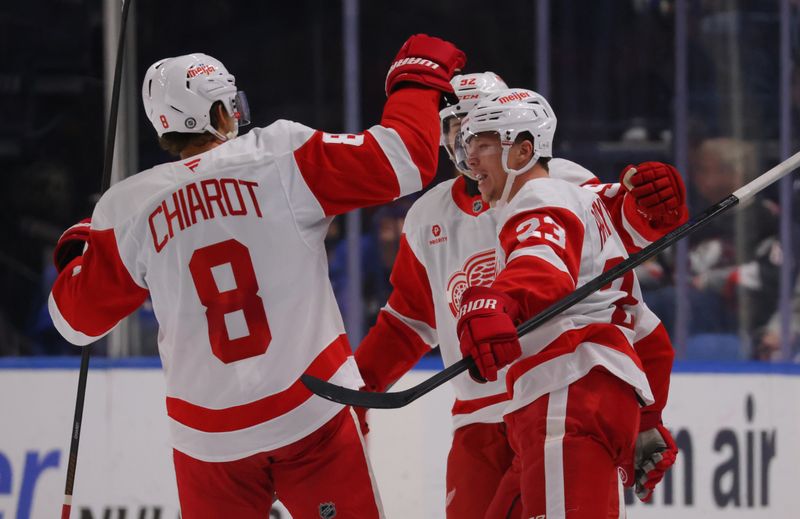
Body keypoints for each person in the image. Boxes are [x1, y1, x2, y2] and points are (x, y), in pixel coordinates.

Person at [47, 35, 465, 518]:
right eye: (231, 105)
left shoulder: (129, 206)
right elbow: (405, 159)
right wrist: (417, 76)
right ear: (219, 113)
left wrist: (83, 244)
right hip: (312, 414)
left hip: (208, 441)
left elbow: (73, 321)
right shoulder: (280, 156)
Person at [354, 75, 682, 518]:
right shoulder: (426, 216)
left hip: (557, 386)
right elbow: (410, 319)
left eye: (477, 130)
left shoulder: (553, 182)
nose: (465, 146)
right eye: (456, 129)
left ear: (518, 141)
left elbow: (607, 245)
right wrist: (360, 390)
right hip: (486, 412)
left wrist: (646, 207)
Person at [449, 87, 677, 517]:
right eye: (468, 147)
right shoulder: (589, 207)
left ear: (522, 151)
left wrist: (497, 301)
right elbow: (648, 333)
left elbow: (542, 265)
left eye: (482, 145)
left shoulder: (539, 197)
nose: (471, 161)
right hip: (582, 398)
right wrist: (648, 420)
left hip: (566, 394)